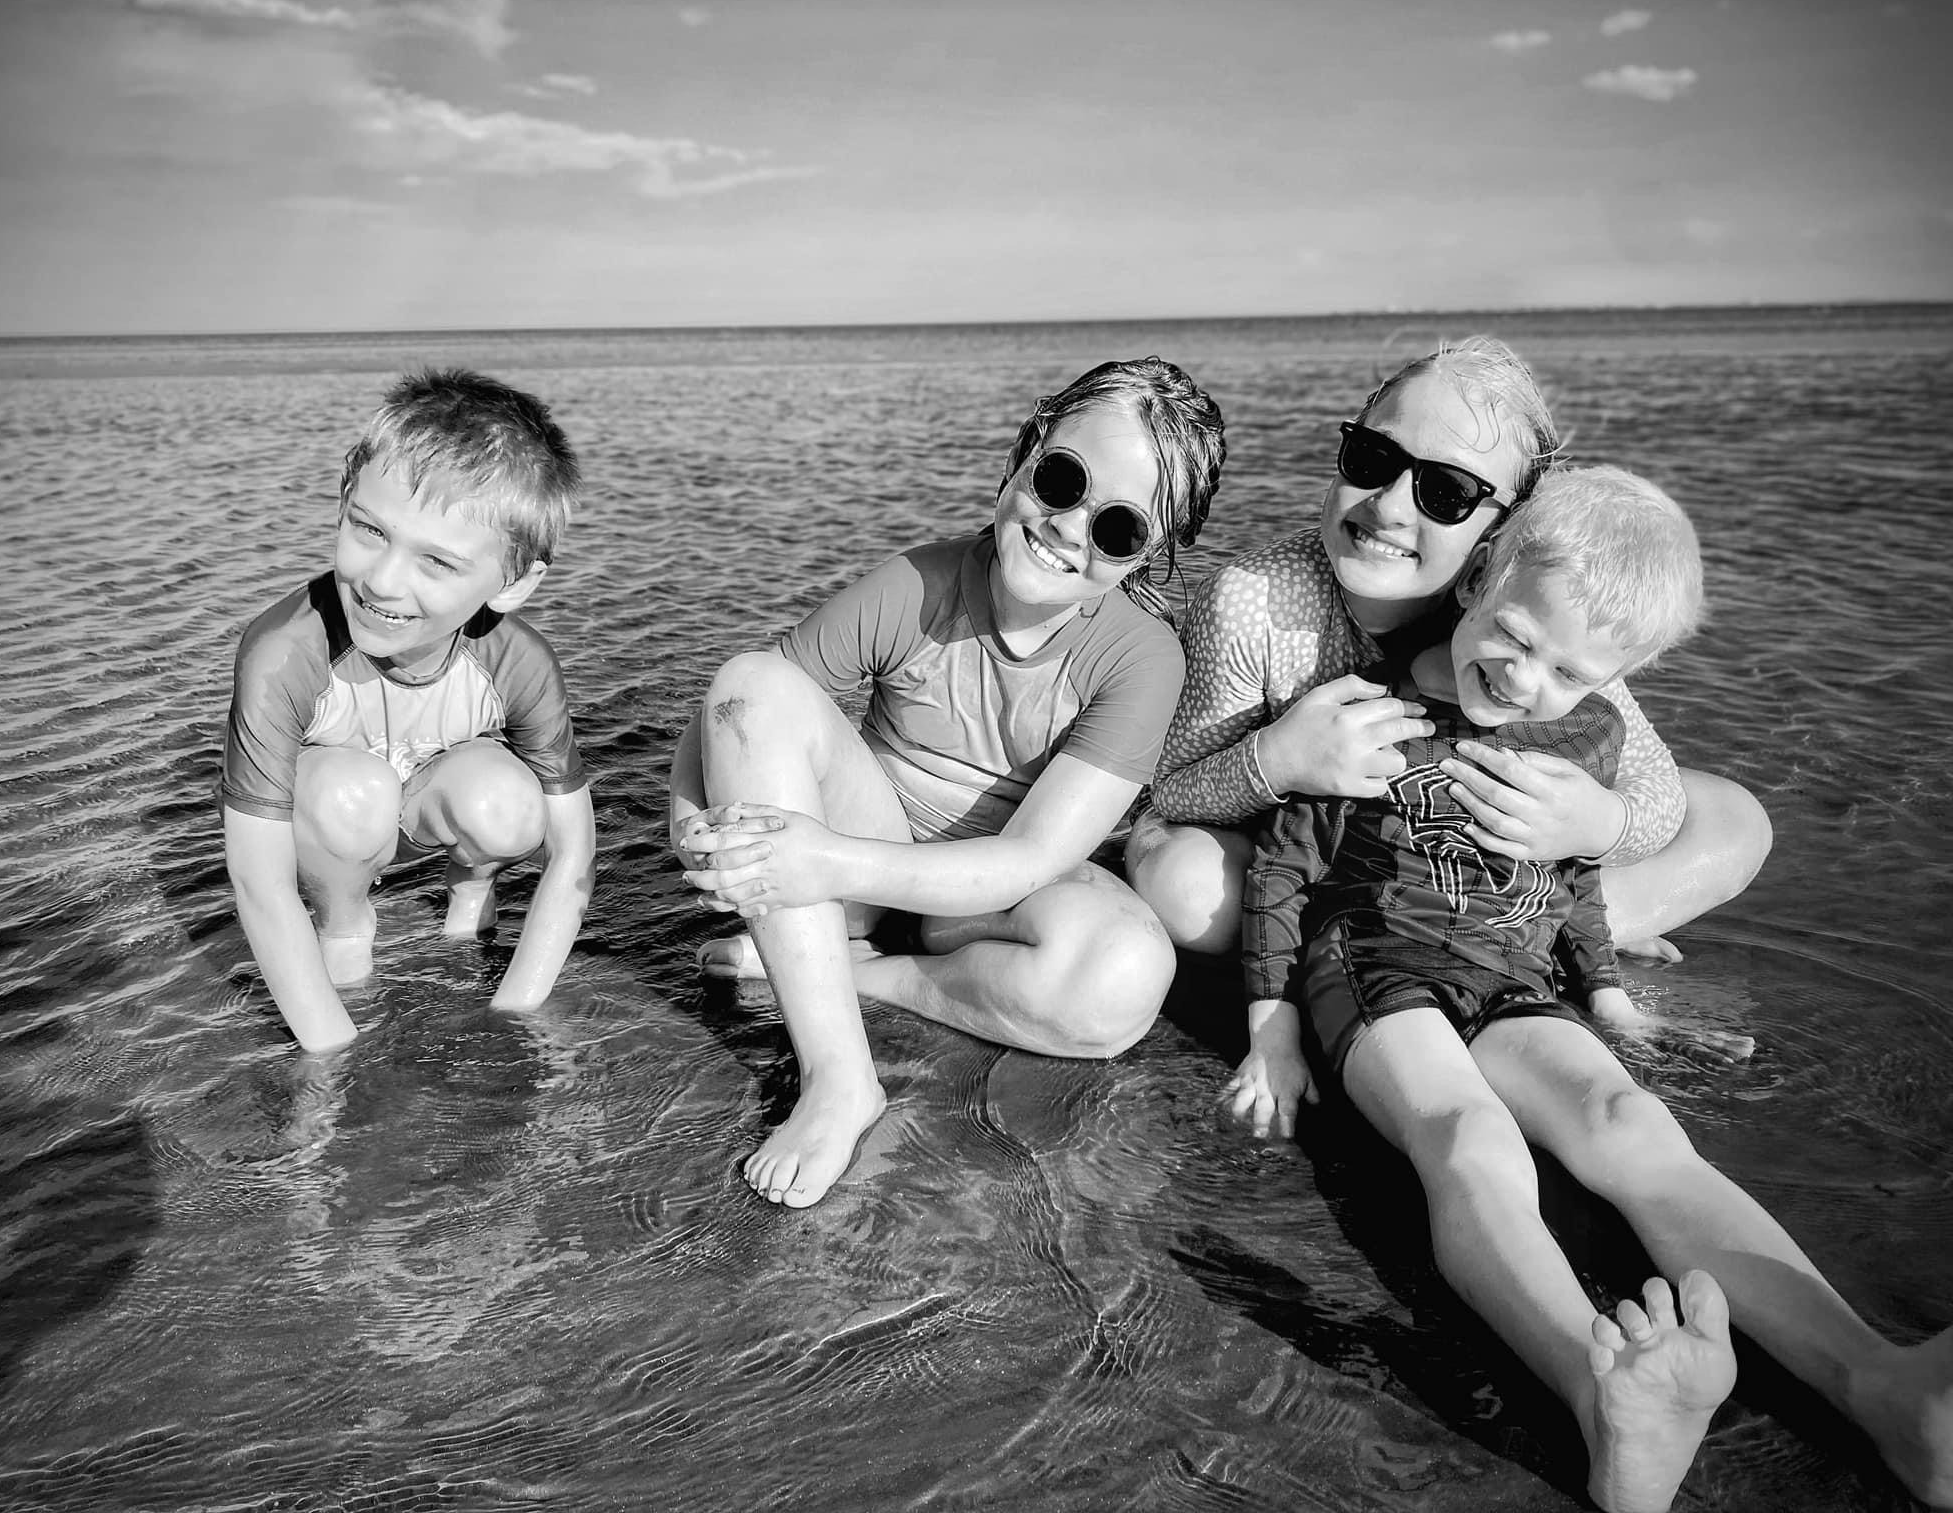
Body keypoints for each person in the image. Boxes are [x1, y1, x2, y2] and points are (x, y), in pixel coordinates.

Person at [1224, 467, 1953, 1513]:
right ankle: (1597, 1390)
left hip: (1511, 976)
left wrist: (1605, 995)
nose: (1521, 679)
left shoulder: (1589, 737)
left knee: (1626, 1119)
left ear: (1618, 677)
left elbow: (1570, 881)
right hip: (1374, 969)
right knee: (1466, 1135)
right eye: (1513, 636)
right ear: (1479, 576)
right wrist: (1271, 1026)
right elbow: (1282, 869)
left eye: (1567, 671)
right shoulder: (1366, 715)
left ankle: (1880, 1389)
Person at [669, 358, 1226, 1208]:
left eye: (1118, 529)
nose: (1068, 527)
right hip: (863, 867)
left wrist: (820, 863)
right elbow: (738, 707)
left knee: (1123, 975)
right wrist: (689, 823)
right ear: (1025, 452)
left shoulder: (1139, 660)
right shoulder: (920, 583)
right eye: (1062, 480)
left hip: (984, 901)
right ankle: (839, 1078)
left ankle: (843, 974)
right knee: (752, 678)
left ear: (1149, 558)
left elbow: (1030, 858)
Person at [1127, 336, 1771, 965]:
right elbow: (1170, 794)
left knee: (1734, 822)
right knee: (1182, 881)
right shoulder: (1256, 601)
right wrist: (1278, 761)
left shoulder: (1527, 613)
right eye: (1374, 458)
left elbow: (1654, 786)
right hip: (1319, 872)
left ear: (1510, 530)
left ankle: (1517, 940)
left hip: (1475, 868)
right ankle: (1447, 952)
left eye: (1447, 493)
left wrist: (1598, 825)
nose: (1390, 506)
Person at [220, 368, 596, 1053]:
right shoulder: (284, 651)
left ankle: (471, 895)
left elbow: (573, 851)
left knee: (510, 805)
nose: (383, 581)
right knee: (348, 795)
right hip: (335, 819)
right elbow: (257, 879)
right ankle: (344, 923)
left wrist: (514, 1015)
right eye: (369, 529)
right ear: (344, 500)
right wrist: (331, 1054)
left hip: (434, 800)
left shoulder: (518, 661)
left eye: (437, 563)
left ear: (513, 583)